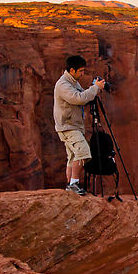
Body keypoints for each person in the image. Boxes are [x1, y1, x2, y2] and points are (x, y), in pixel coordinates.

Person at [54, 55, 105, 195]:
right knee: (83, 153)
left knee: (72, 157)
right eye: (81, 71)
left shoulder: (72, 82)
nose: (83, 73)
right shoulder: (63, 84)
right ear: (72, 70)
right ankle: (74, 184)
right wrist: (95, 88)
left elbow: (82, 94)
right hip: (68, 127)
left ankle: (70, 186)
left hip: (72, 126)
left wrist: (94, 89)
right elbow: (79, 99)